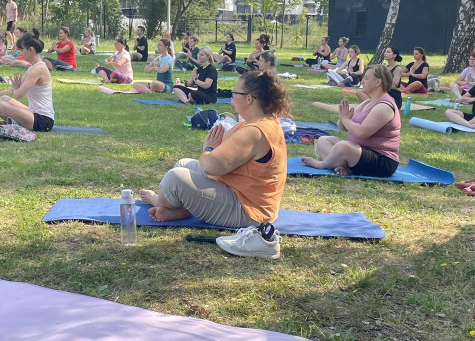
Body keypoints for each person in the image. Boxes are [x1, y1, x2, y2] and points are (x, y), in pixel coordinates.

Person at [138, 70, 289, 259]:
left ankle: (159, 201)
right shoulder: (259, 123)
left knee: (174, 178)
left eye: (236, 92)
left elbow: (212, 165)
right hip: (240, 193)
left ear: (249, 99)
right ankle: (182, 210)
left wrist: (208, 149)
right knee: (183, 164)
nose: (232, 96)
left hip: (248, 211)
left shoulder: (254, 130)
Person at [303, 66, 400, 178]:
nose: (362, 81)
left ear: (378, 82)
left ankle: (322, 165)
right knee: (323, 140)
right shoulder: (367, 103)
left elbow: (361, 133)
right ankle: (343, 167)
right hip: (359, 152)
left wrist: (346, 119)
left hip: (382, 161)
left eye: (367, 78)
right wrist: (343, 118)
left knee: (343, 146)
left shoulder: (384, 107)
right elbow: (342, 127)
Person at [0, 30, 55, 132]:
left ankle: (15, 123)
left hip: (43, 121)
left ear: (31, 50)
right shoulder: (32, 68)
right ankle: (15, 122)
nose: (21, 53)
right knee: (4, 99)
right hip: (34, 113)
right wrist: (15, 88)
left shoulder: (38, 69)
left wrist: (15, 89)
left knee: (1, 106)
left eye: (22, 50)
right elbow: (18, 88)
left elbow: (19, 94)